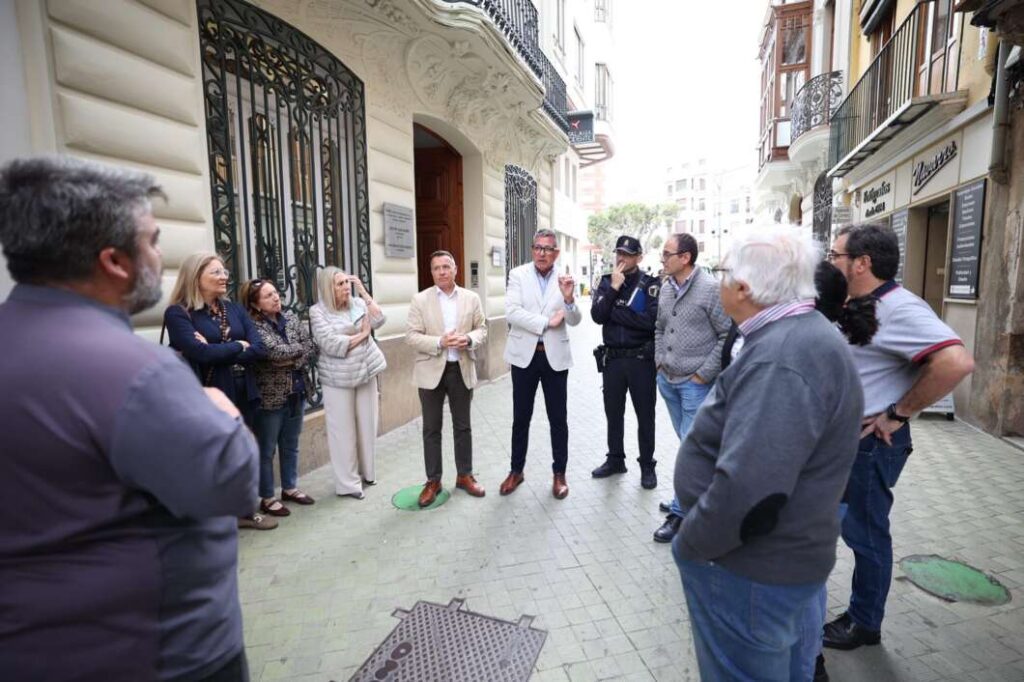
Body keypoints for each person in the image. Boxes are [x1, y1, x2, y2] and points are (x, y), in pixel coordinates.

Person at [0, 156, 258, 681]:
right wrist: (223, 411)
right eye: (153, 241)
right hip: (159, 655)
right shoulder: (138, 371)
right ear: (115, 261)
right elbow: (234, 485)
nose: (160, 258)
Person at [672, 228, 864, 681]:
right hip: (773, 565)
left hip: (748, 570)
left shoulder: (783, 356)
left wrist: (692, 544)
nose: (717, 283)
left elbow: (750, 490)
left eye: (721, 273)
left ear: (743, 288)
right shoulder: (795, 335)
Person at [821, 224, 974, 652]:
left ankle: (865, 622)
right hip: (843, 444)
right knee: (847, 530)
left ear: (862, 263)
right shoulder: (860, 303)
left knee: (866, 536)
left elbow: (956, 362)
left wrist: (898, 413)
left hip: (870, 446)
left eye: (835, 255)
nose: (830, 262)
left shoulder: (901, 308)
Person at [164, 252, 272, 531]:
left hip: (242, 388)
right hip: (209, 392)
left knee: (243, 451)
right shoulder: (179, 313)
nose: (224, 276)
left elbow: (259, 347)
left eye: (224, 272)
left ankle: (245, 511)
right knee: (212, 455)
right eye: (216, 272)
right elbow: (198, 353)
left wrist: (216, 350)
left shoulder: (234, 309)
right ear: (195, 277)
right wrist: (238, 346)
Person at [651, 233, 731, 543]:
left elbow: (726, 334)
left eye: (667, 253)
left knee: (691, 448)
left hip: (695, 384)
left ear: (685, 257)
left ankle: (682, 512)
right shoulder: (667, 288)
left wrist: (703, 374)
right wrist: (659, 361)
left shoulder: (711, 289)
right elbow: (659, 328)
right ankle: (691, 497)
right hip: (668, 380)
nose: (662, 259)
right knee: (688, 444)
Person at [500, 228, 580, 499]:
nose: (541, 253)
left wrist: (568, 299)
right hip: (524, 357)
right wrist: (547, 322)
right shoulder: (518, 275)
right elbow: (512, 312)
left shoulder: (565, 278)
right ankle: (516, 471)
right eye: (537, 248)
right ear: (532, 249)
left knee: (558, 419)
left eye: (547, 249)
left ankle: (559, 474)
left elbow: (575, 320)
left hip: (555, 358)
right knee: (520, 417)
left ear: (556, 252)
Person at [405, 250, 488, 507]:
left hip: (460, 368)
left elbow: (482, 329)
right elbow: (411, 336)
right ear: (431, 273)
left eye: (446, 267)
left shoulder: (471, 298)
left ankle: (464, 475)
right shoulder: (420, 300)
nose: (441, 272)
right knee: (431, 428)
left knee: (463, 426)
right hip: (431, 370)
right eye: (436, 268)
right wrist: (439, 341)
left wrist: (469, 339)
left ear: (455, 269)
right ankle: (433, 481)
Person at [240, 278, 317, 517]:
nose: (275, 298)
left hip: (298, 389)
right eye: (268, 296)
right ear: (255, 304)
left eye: (275, 293)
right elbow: (271, 352)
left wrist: (290, 357)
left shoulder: (291, 318)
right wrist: (294, 353)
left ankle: (290, 487)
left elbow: (311, 347)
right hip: (270, 395)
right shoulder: (252, 325)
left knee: (291, 444)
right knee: (267, 448)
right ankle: (267, 496)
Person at [589, 235, 662, 489]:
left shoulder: (651, 284)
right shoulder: (607, 282)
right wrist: (614, 290)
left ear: (639, 257)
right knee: (613, 413)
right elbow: (598, 316)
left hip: (641, 359)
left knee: (645, 415)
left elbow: (650, 322)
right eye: (619, 253)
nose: (622, 258)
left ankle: (647, 465)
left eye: (628, 254)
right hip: (613, 361)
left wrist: (615, 312)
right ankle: (616, 459)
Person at [310, 266, 386, 499]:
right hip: (338, 378)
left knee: (368, 423)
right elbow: (331, 343)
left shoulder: (357, 303)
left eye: (347, 283)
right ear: (327, 287)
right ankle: (348, 484)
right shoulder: (318, 312)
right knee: (342, 431)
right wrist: (362, 335)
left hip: (366, 370)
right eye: (340, 284)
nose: (346, 287)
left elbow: (380, 320)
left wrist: (363, 293)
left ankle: (368, 473)